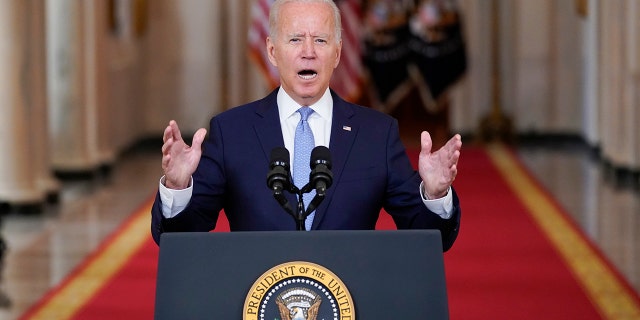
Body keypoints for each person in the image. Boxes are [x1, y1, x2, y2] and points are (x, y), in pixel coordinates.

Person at [151, 0, 462, 251]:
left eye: (321, 40)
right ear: (272, 51)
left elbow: (429, 236)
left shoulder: (376, 134)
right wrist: (177, 189)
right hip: (259, 297)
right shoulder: (232, 131)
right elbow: (181, 236)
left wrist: (435, 195)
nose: (308, 51)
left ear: (338, 52)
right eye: (296, 39)